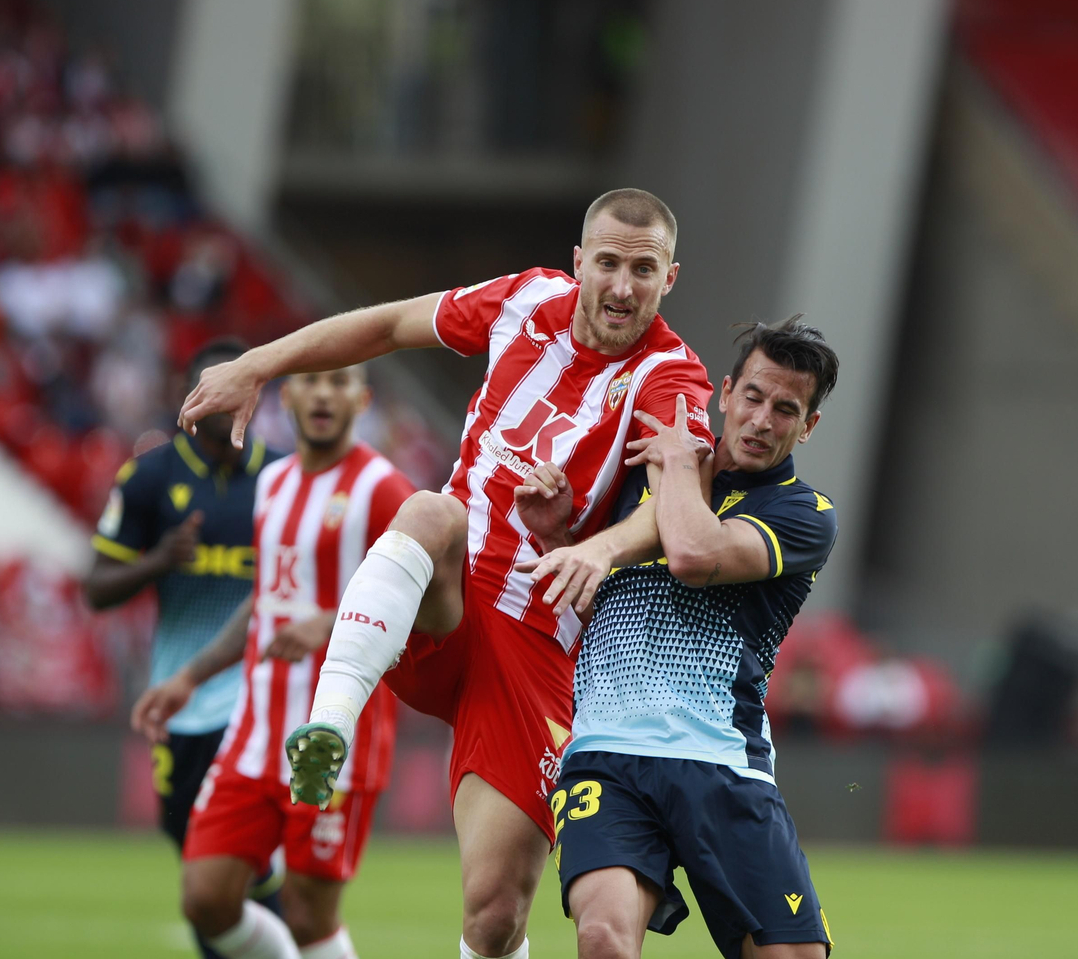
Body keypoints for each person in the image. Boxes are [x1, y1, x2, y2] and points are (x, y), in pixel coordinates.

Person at [180, 188, 716, 959]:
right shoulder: (525, 300)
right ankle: (330, 721)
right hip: (448, 591)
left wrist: (597, 547)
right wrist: (257, 365)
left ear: (669, 278)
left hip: (537, 639)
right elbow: (390, 324)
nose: (622, 286)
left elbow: (676, 503)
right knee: (432, 512)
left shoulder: (672, 376)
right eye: (607, 263)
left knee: (494, 914)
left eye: (643, 268)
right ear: (579, 262)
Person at [534, 317, 840, 959]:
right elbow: (597, 588)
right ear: (725, 394)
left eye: (786, 409)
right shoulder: (629, 478)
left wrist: (676, 467)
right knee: (602, 938)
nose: (761, 420)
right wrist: (563, 534)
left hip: (723, 761)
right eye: (753, 397)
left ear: (808, 425)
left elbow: (694, 556)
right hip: (606, 755)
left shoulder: (802, 514)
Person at [135, 365, 415, 959]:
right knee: (205, 898)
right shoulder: (273, 483)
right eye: (311, 381)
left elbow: (433, 605)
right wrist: (189, 677)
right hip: (254, 734)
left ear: (361, 400)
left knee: (310, 915)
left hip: (333, 739)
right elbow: (264, 601)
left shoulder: (382, 489)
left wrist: (334, 620)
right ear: (285, 396)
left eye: (339, 382)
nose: (323, 393)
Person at [86, 337, 284, 959]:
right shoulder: (150, 478)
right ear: (190, 398)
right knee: (195, 855)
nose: (224, 403)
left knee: (246, 858)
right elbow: (96, 588)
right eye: (211, 389)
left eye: (237, 387)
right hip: (181, 701)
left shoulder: (283, 479)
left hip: (261, 701)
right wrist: (159, 561)